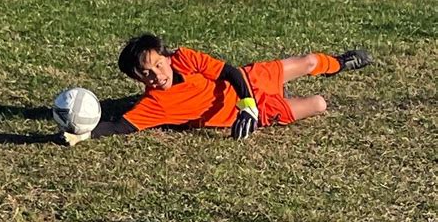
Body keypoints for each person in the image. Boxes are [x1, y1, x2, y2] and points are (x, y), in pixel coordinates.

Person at [62, 33, 373, 146]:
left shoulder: (185, 57)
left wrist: (246, 103)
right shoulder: (154, 105)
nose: (156, 74)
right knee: (318, 104)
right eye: (146, 73)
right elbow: (119, 126)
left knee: (306, 61)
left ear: (166, 57)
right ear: (138, 79)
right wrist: (82, 132)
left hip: (248, 86)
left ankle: (339, 63)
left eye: (158, 65)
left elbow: (230, 72)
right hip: (258, 113)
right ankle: (284, 102)